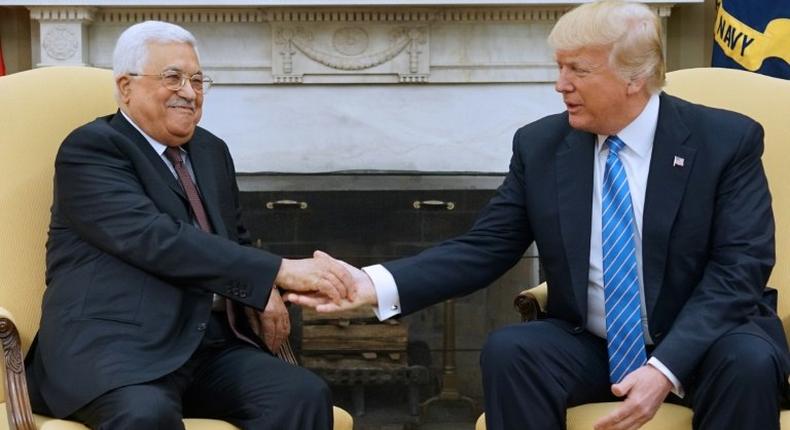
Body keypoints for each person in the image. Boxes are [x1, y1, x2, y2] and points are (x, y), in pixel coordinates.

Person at [287, 1, 790, 429]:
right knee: (513, 351)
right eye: (559, 67)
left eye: (578, 70)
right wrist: (372, 284)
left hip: (704, 339)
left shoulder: (724, 141)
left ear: (636, 77)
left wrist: (665, 366)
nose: (559, 84)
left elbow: (738, 271)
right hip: (593, 342)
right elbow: (483, 248)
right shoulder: (543, 145)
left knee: (749, 360)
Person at [24, 20, 353, 430]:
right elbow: (154, 238)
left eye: (198, 80)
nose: (189, 91)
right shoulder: (92, 149)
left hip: (205, 345)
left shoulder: (212, 151)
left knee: (302, 395)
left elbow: (236, 240)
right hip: (114, 349)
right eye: (173, 77)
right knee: (147, 414)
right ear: (126, 87)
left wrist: (260, 290)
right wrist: (277, 271)